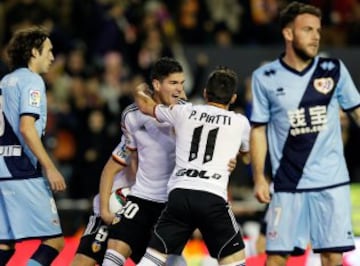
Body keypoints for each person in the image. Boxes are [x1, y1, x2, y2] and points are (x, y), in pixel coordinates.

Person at [250, 2, 360, 266]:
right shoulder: (265, 77)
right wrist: (259, 178)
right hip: (289, 183)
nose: (316, 36)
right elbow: (258, 131)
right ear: (288, 34)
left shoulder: (333, 70)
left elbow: (357, 112)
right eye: (307, 30)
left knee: (333, 256)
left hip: (331, 181)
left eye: (318, 30)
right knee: (276, 258)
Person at [134, 66, 250, 266]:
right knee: (234, 259)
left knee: (154, 256)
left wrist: (139, 90)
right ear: (233, 98)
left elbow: (145, 106)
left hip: (180, 194)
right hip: (212, 196)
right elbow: (248, 157)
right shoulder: (240, 123)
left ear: (205, 93)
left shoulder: (184, 111)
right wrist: (234, 158)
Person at [101, 57, 188, 266]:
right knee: (114, 250)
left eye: (181, 83)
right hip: (141, 198)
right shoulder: (131, 116)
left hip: (172, 204)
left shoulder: (185, 113)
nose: (179, 90)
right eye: (173, 83)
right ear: (157, 85)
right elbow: (112, 166)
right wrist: (104, 209)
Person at [0, 27, 66, 265]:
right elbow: (27, 128)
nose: (52, 57)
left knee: (4, 245)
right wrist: (49, 167)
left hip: (2, 170)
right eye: (48, 51)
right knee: (54, 241)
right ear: (33, 52)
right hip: (22, 170)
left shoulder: (5, 81)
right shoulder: (32, 81)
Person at [71, 135, 136, 266]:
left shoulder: (175, 141)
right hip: (113, 207)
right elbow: (108, 171)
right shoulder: (133, 137)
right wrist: (105, 211)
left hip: (145, 212)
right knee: (83, 262)